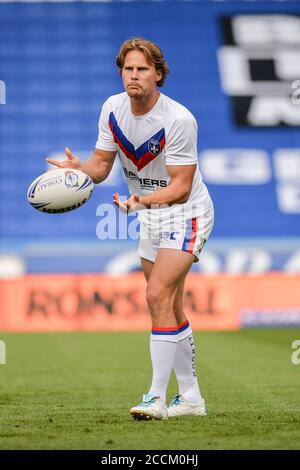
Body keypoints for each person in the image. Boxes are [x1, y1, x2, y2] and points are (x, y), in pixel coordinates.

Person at [47, 37, 214, 421]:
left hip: (186, 213)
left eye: (142, 69)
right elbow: (102, 166)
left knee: (156, 294)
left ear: (158, 73)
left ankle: (155, 397)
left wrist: (139, 202)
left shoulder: (178, 119)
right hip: (150, 213)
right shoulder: (112, 108)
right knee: (169, 303)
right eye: (128, 69)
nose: (133, 76)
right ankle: (191, 399)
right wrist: (80, 170)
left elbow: (181, 187)